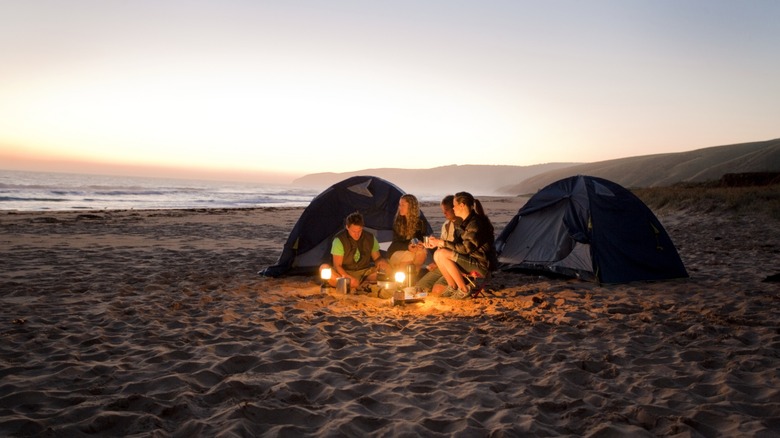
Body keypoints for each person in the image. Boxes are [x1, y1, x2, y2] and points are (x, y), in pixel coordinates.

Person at [428, 191, 497, 299]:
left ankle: (463, 289)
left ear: (462, 205)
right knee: (437, 254)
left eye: (454, 206)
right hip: (469, 260)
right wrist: (438, 244)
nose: (453, 208)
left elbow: (465, 248)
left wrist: (442, 243)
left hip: (481, 264)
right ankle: (452, 286)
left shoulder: (475, 223)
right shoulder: (463, 223)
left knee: (442, 253)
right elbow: (457, 245)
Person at [319, 212, 389, 290]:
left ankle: (363, 283)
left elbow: (377, 258)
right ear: (347, 227)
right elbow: (337, 265)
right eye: (353, 231)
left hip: (365, 273)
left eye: (359, 231)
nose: (356, 234)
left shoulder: (370, 238)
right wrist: (347, 276)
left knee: (387, 270)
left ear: (362, 227)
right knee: (324, 268)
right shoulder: (339, 240)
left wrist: (381, 262)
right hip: (344, 273)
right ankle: (351, 284)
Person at [416, 195, 461, 292]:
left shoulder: (462, 225)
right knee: (419, 287)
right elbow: (442, 246)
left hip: (455, 265)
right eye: (443, 210)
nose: (444, 213)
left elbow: (460, 248)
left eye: (447, 210)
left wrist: (440, 243)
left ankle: (458, 286)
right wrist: (434, 244)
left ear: (454, 209)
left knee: (437, 290)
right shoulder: (446, 225)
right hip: (442, 264)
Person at [386, 194, 429, 273]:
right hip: (395, 251)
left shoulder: (420, 222)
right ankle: (404, 280)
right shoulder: (398, 222)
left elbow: (418, 238)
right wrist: (408, 246)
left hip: (412, 250)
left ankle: (412, 277)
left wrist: (418, 244)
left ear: (411, 207)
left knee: (422, 252)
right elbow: (396, 243)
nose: (400, 208)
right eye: (399, 205)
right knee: (409, 256)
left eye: (403, 205)